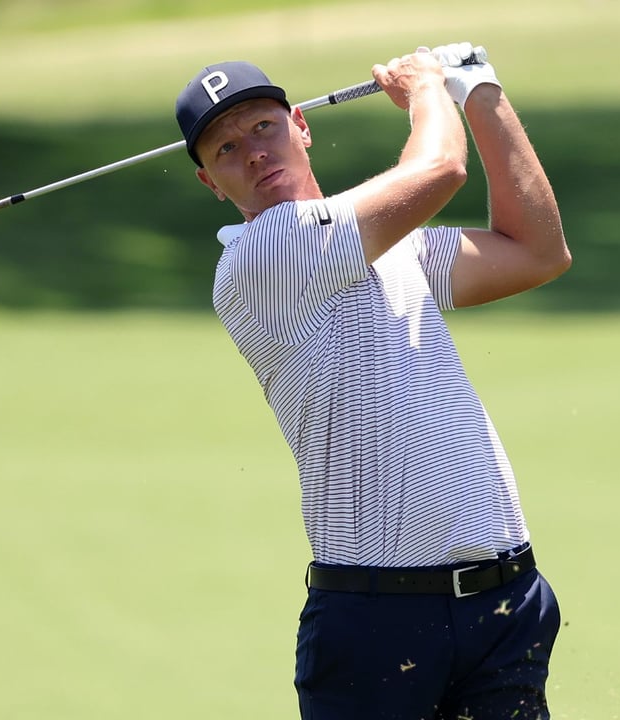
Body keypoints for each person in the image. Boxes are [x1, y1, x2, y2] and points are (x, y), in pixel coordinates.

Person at [174, 42, 570, 720]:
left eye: (263, 127)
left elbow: (537, 251)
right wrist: (427, 89)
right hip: (379, 621)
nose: (254, 152)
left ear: (300, 124)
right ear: (213, 183)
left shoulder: (394, 246)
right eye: (226, 150)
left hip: (505, 605)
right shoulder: (261, 260)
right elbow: (440, 167)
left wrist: (481, 91)